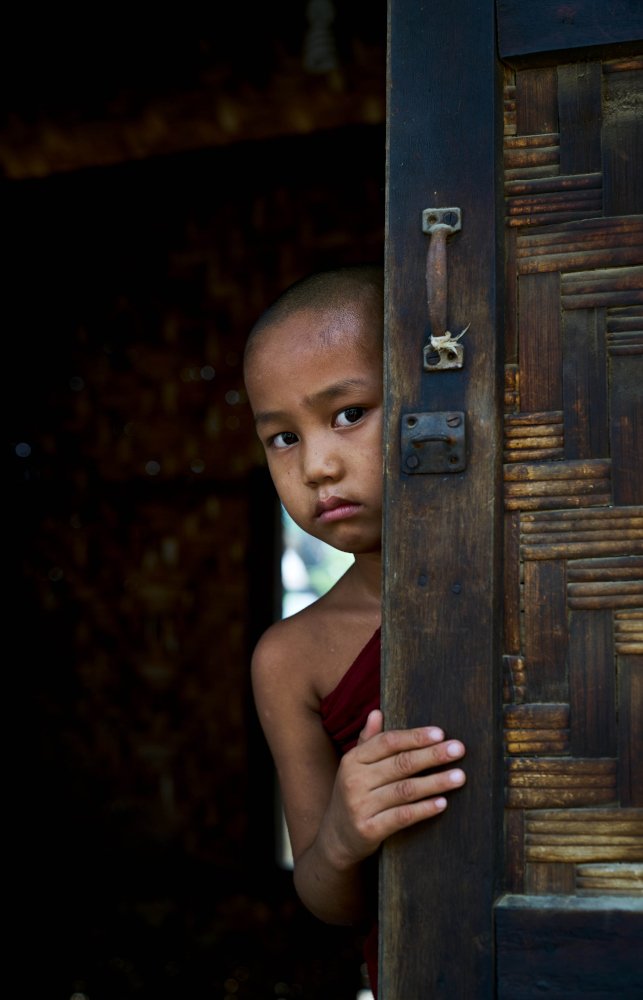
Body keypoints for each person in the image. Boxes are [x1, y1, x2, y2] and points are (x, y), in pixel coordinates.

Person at [243, 264, 466, 998]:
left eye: (346, 414)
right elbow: (327, 899)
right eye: (281, 437)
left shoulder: (559, 586)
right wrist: (343, 833)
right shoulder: (292, 657)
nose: (316, 465)